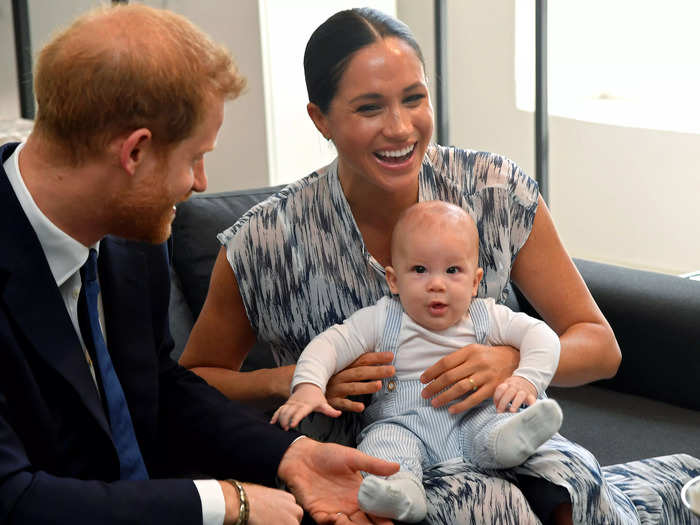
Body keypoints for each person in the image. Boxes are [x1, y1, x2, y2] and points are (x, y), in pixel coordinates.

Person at [180, 6, 700, 524]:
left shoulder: (494, 190)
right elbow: (193, 383)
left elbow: (599, 345)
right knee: (482, 503)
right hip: (369, 472)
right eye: (369, 108)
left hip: (499, 434)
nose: (400, 127)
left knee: (573, 478)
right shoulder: (263, 241)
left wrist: (510, 362)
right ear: (321, 119)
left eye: (414, 98)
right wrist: (294, 380)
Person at [0, 5, 401, 525]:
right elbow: (15, 499)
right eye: (195, 158)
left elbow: (160, 387)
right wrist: (230, 502)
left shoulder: (131, 240)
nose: (201, 183)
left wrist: (290, 456)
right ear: (135, 152)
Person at [272, 201, 567, 522]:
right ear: (394, 279)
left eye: (452, 270)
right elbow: (329, 344)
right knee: (382, 446)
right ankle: (402, 492)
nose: (436, 283)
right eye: (420, 270)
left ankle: (509, 442)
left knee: (495, 423)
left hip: (472, 415)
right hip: (403, 424)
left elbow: (542, 335)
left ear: (474, 281)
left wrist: (527, 379)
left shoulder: (486, 316)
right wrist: (308, 386)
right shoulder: (382, 319)